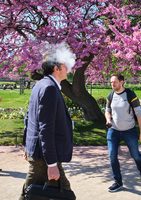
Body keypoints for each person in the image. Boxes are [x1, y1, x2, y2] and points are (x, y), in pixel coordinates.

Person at [19, 47, 76, 200]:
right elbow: (45, 129)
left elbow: (29, 117)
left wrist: (27, 144)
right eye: (64, 65)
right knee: (30, 196)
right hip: (44, 158)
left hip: (43, 154)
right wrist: (51, 164)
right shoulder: (49, 88)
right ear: (56, 68)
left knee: (63, 194)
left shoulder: (41, 84)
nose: (68, 68)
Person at [105, 73, 141, 192]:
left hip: (129, 131)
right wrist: (108, 120)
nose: (112, 84)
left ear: (121, 82)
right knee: (112, 156)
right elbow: (107, 110)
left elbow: (139, 114)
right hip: (113, 130)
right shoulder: (111, 95)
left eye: (115, 82)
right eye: (111, 82)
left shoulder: (130, 94)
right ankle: (118, 182)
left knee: (135, 155)